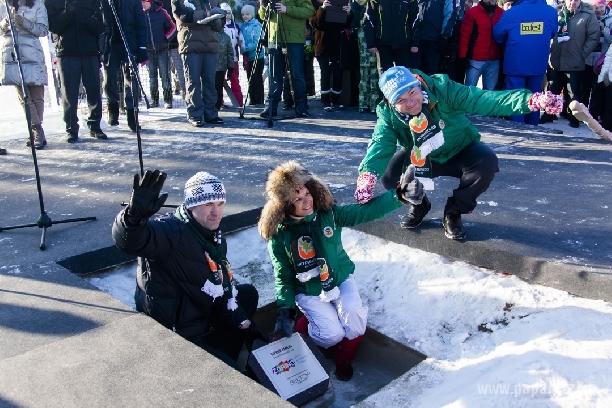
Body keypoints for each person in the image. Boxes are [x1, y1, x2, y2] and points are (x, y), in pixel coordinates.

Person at [354, 66, 563, 240]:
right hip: (423, 156)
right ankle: (419, 203)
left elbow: (484, 99)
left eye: (412, 92)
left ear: (418, 84)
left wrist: (530, 101)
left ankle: (454, 210)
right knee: (390, 175)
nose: (411, 102)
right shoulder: (388, 114)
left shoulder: (444, 89)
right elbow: (381, 143)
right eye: (401, 100)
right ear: (391, 103)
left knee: (486, 163)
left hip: (460, 148)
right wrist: (367, 175)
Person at [258, 160, 416, 381]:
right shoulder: (280, 236)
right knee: (332, 334)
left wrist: (398, 196)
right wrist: (285, 312)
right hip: (308, 289)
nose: (307, 202)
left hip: (339, 278)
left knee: (354, 323)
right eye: (298, 199)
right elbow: (283, 276)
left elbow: (365, 212)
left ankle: (343, 359)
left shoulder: (328, 215)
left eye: (307, 193)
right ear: (285, 206)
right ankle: (305, 329)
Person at [112, 170, 268, 369]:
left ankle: (223, 362)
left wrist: (246, 325)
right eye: (208, 204)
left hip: (199, 319)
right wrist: (134, 218)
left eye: (220, 204)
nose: (216, 212)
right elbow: (130, 241)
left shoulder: (212, 237)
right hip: (176, 336)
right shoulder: (169, 233)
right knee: (235, 381)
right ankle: (220, 369)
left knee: (246, 294)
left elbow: (220, 289)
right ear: (192, 205)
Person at [45, 0, 107, 143]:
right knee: (69, 93)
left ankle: (95, 126)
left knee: (93, 90)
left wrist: (96, 25)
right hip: (67, 51)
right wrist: (67, 14)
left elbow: (102, 22)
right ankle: (71, 128)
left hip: (90, 50)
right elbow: (53, 27)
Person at [493, 0, 557, 125]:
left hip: (515, 62)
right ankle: (532, 126)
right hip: (538, 62)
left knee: (516, 97)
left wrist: (507, 45)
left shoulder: (511, 12)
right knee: (534, 97)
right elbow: (552, 33)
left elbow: (498, 34)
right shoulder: (551, 12)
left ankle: (517, 127)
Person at [540, 0, 600, 127]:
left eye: (576, 0)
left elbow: (593, 36)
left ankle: (574, 117)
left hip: (575, 60)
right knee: (553, 89)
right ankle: (549, 114)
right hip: (556, 59)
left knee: (573, 91)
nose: (573, 2)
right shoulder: (557, 14)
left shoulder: (588, 16)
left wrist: (582, 54)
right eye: (570, 0)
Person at [1, 0, 49, 149]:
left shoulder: (38, 4)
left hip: (33, 54)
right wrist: (6, 23)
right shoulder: (3, 5)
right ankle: (37, 130)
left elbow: (43, 30)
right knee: (24, 97)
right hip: (13, 55)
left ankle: (35, 131)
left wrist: (24, 22)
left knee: (37, 97)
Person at [172, 0, 226, 127]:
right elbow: (181, 16)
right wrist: (206, 14)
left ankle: (211, 114)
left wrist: (216, 20)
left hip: (210, 45)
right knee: (193, 81)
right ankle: (195, 114)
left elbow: (220, 25)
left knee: (210, 81)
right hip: (190, 44)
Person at [258, 0, 314, 118]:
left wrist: (286, 9)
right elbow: (263, 16)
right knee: (274, 74)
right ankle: (271, 107)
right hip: (274, 39)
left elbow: (309, 11)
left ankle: (301, 105)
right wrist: (263, 5)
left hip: (294, 39)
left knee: (297, 74)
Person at [102, 0, 148, 132]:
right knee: (109, 79)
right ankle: (113, 111)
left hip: (130, 43)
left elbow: (140, 22)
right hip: (110, 45)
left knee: (131, 82)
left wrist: (142, 48)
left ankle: (132, 116)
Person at [310, 0, 352, 112]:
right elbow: (315, 23)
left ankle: (335, 99)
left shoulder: (338, 4)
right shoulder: (316, 5)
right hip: (323, 46)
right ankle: (326, 100)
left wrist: (348, 13)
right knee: (325, 72)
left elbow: (346, 23)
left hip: (337, 45)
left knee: (338, 72)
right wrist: (322, 9)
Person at [363, 0, 420, 73]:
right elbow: (369, 20)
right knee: (385, 75)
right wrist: (371, 43)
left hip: (403, 44)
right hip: (382, 44)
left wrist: (414, 43)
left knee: (404, 74)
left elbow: (415, 20)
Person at [458, 0, 503, 90]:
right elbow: (465, 36)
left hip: (494, 59)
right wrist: (462, 56)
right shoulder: (472, 13)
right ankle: (468, 104)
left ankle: (488, 104)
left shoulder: (501, 13)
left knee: (490, 92)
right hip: (475, 60)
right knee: (470, 90)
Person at [143, 0, 177, 109]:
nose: (142, 4)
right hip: (148, 51)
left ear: (149, 2)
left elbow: (173, 27)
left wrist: (166, 39)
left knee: (165, 76)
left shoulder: (161, 12)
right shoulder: (140, 14)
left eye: (144, 2)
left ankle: (168, 100)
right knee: (152, 77)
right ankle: (154, 100)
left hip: (162, 50)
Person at [413, 0, 457, 76]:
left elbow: (450, 14)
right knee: (415, 71)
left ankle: (429, 87)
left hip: (434, 39)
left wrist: (444, 36)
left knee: (431, 72)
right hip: (416, 39)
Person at [353, 0, 379, 113]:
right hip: (364, 39)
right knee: (365, 74)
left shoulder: (374, 4)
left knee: (374, 74)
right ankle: (363, 103)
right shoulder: (354, 6)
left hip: (374, 39)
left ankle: (374, 104)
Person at [220, 2, 244, 107]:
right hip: (220, 59)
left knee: (235, 80)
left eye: (229, 13)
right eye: (225, 13)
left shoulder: (235, 27)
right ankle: (219, 102)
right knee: (220, 81)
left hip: (233, 58)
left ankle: (238, 102)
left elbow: (241, 40)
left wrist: (244, 50)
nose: (227, 15)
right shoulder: (219, 27)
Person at [241, 4, 265, 105]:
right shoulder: (243, 26)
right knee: (249, 78)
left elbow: (257, 42)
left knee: (257, 78)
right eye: (243, 14)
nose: (245, 16)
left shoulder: (256, 25)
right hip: (248, 57)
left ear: (252, 14)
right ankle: (252, 99)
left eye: (247, 14)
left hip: (257, 56)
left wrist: (244, 48)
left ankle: (258, 99)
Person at [215, 18, 233, 110]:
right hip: (209, 67)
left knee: (219, 88)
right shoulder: (209, 35)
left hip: (221, 68)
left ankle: (217, 106)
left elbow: (230, 52)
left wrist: (231, 67)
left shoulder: (226, 37)